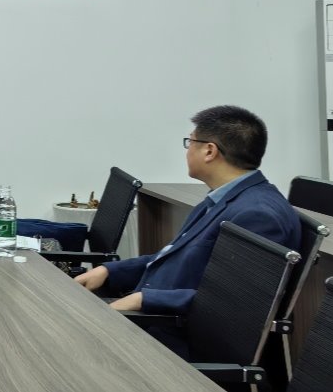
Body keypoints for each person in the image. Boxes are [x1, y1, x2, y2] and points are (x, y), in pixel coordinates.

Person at [74, 105, 300, 356]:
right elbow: (173, 257)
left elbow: (236, 303)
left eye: (190, 142)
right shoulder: (223, 199)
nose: (187, 150)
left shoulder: (259, 216)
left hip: (178, 341)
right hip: (154, 320)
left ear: (209, 151)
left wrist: (144, 300)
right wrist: (109, 270)